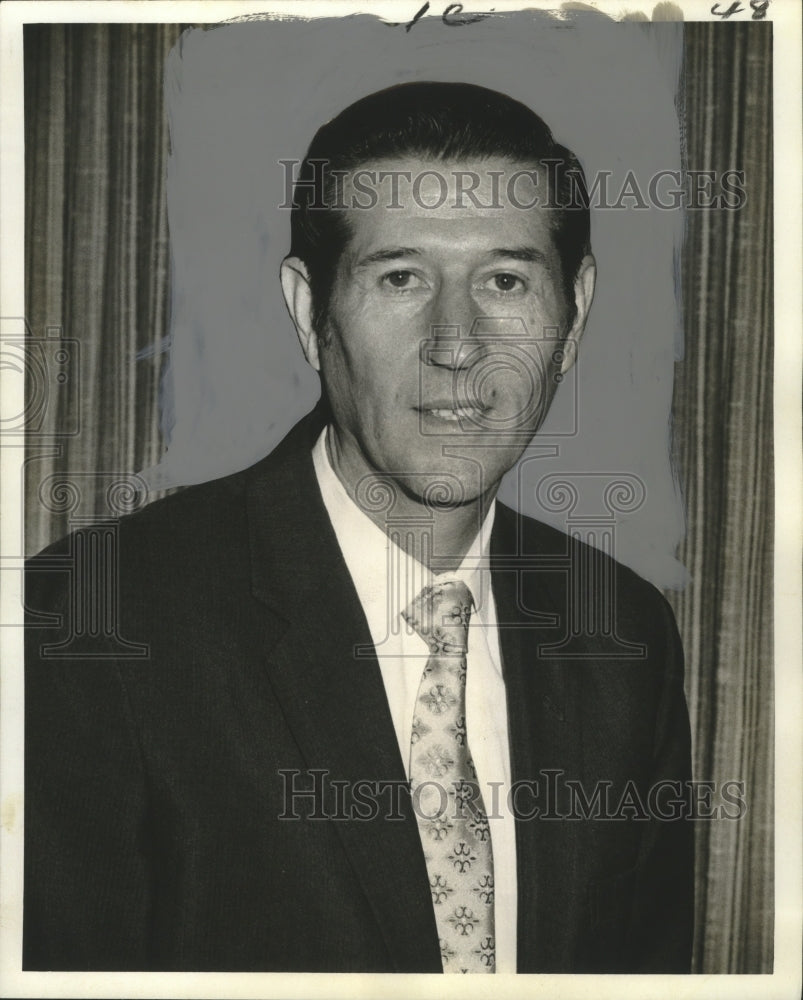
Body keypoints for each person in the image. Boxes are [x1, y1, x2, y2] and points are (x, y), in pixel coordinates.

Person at [24, 82, 694, 974]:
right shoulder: (96, 618)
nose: (457, 343)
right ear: (311, 313)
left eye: (504, 280)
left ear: (571, 316)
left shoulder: (627, 634)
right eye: (401, 278)